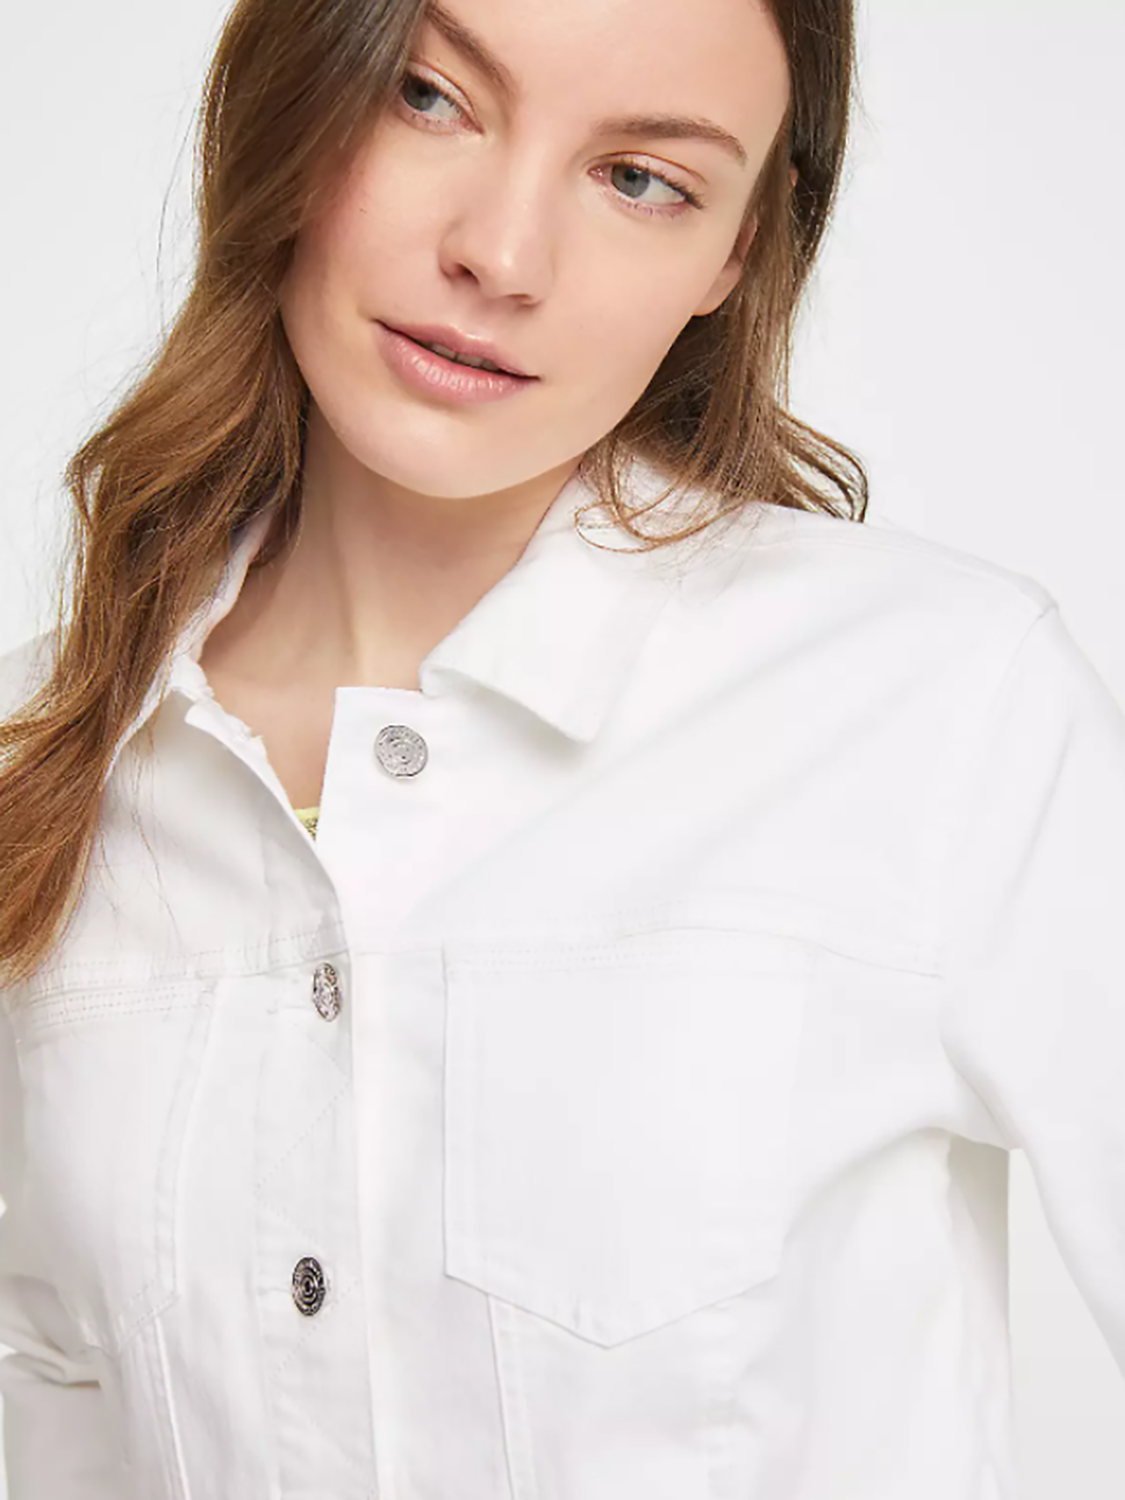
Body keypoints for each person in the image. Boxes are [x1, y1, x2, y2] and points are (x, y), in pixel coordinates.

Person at [0, 0, 1122, 1494]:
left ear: (735, 253)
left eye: (641, 179)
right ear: (297, 83)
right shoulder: (40, 768)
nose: (502, 255)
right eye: (430, 97)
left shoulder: (944, 705)